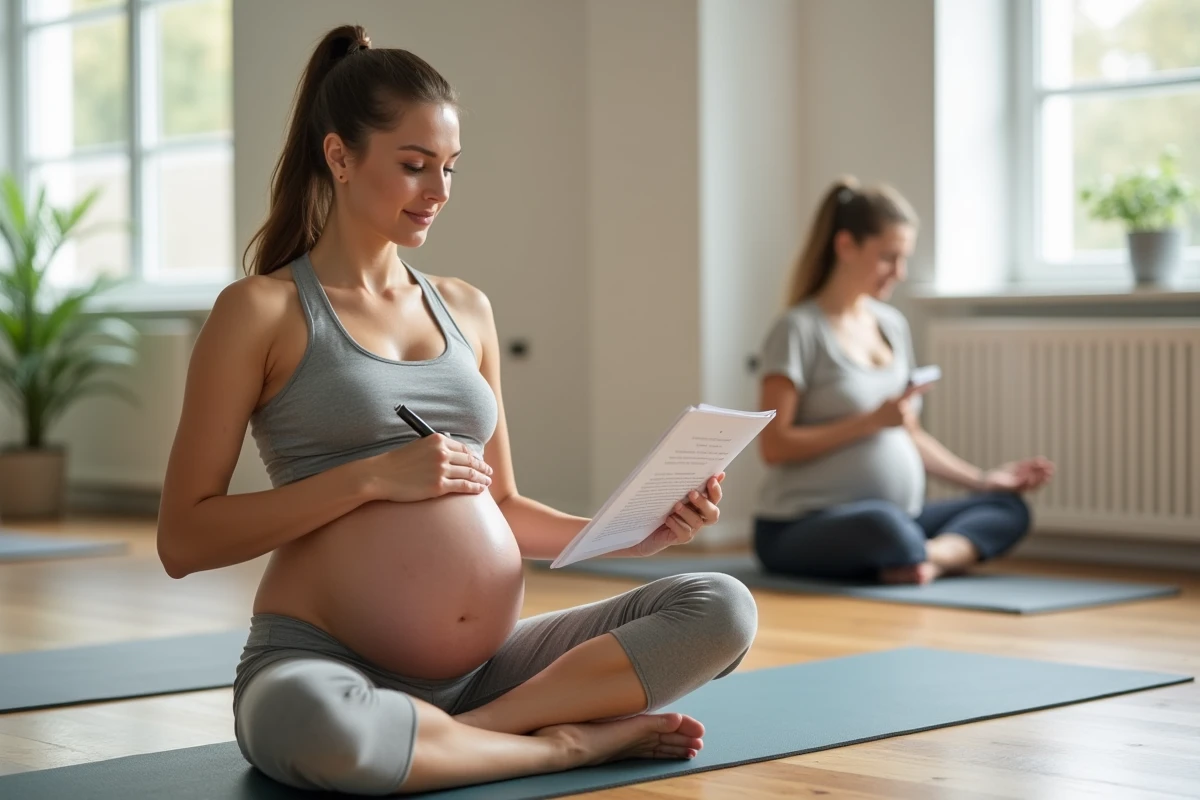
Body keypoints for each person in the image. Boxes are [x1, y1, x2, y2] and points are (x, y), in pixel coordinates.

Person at [156, 25, 756, 795]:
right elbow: (183, 538)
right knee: (331, 734)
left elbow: (500, 505)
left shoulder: (467, 308)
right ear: (340, 157)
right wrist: (371, 478)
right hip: (324, 668)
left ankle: (460, 739)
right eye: (413, 167)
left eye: (448, 168)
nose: (438, 190)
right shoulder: (262, 311)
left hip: (489, 674)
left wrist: (639, 528)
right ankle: (561, 746)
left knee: (722, 609)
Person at [753, 177, 1054, 585]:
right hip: (802, 524)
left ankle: (925, 559)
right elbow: (773, 446)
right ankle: (915, 549)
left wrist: (984, 479)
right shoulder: (797, 330)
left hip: (900, 515)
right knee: (884, 525)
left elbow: (909, 433)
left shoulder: (892, 325)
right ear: (845, 246)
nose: (899, 272)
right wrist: (868, 422)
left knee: (1008, 507)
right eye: (887, 257)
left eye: (903, 258)